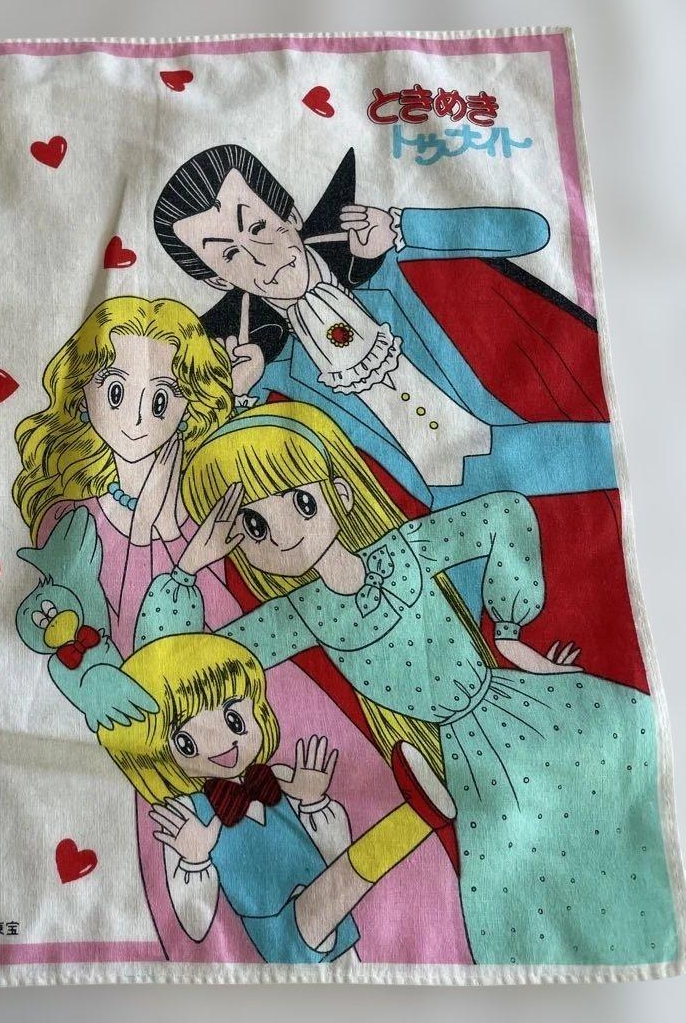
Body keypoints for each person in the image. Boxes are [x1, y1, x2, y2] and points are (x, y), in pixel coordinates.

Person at [134, 401, 678, 965]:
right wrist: (188, 568)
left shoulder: (407, 548)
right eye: (255, 526)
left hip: (516, 701)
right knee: (528, 873)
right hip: (461, 758)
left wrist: (510, 630)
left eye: (301, 502)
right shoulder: (301, 613)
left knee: (613, 773)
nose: (286, 534)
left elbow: (504, 512)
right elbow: (175, 670)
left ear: (340, 494)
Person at [12, 298, 471, 963]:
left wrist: (248, 388)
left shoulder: (204, 484)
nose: (138, 417)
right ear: (82, 395)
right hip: (176, 723)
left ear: (187, 403)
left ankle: (421, 933)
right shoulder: (80, 521)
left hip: (265, 684)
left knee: (336, 798)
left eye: (161, 398)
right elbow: (78, 641)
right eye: (116, 392)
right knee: (242, 893)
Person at [153, 145, 617, 614]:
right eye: (230, 255)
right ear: (218, 281)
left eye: (258, 228)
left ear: (289, 214)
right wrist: (233, 397)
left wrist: (402, 228)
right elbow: (192, 467)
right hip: (439, 505)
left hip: (513, 444)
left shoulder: (378, 256)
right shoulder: (264, 361)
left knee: (626, 466)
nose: (261, 258)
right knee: (476, 634)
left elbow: (534, 232)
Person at [97, 632, 457, 964]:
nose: (223, 743)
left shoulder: (278, 778)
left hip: (331, 911)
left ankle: (419, 816)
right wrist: (194, 859)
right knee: (343, 885)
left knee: (348, 946)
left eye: (234, 720)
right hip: (277, 927)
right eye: (187, 743)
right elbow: (195, 924)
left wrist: (313, 802)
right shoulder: (188, 817)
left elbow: (335, 849)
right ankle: (417, 818)